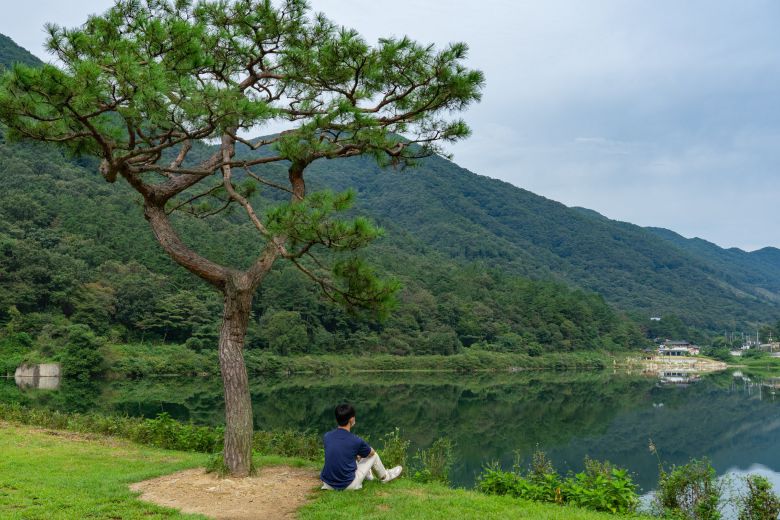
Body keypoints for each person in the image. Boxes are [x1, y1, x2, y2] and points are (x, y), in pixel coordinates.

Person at [320, 403, 403, 490]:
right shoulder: (355, 440)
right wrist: (360, 454)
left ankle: (369, 475)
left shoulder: (327, 436)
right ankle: (385, 477)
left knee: (353, 455)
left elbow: (341, 450)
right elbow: (371, 453)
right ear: (351, 419)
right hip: (348, 485)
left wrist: (356, 454)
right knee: (373, 455)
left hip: (327, 484)